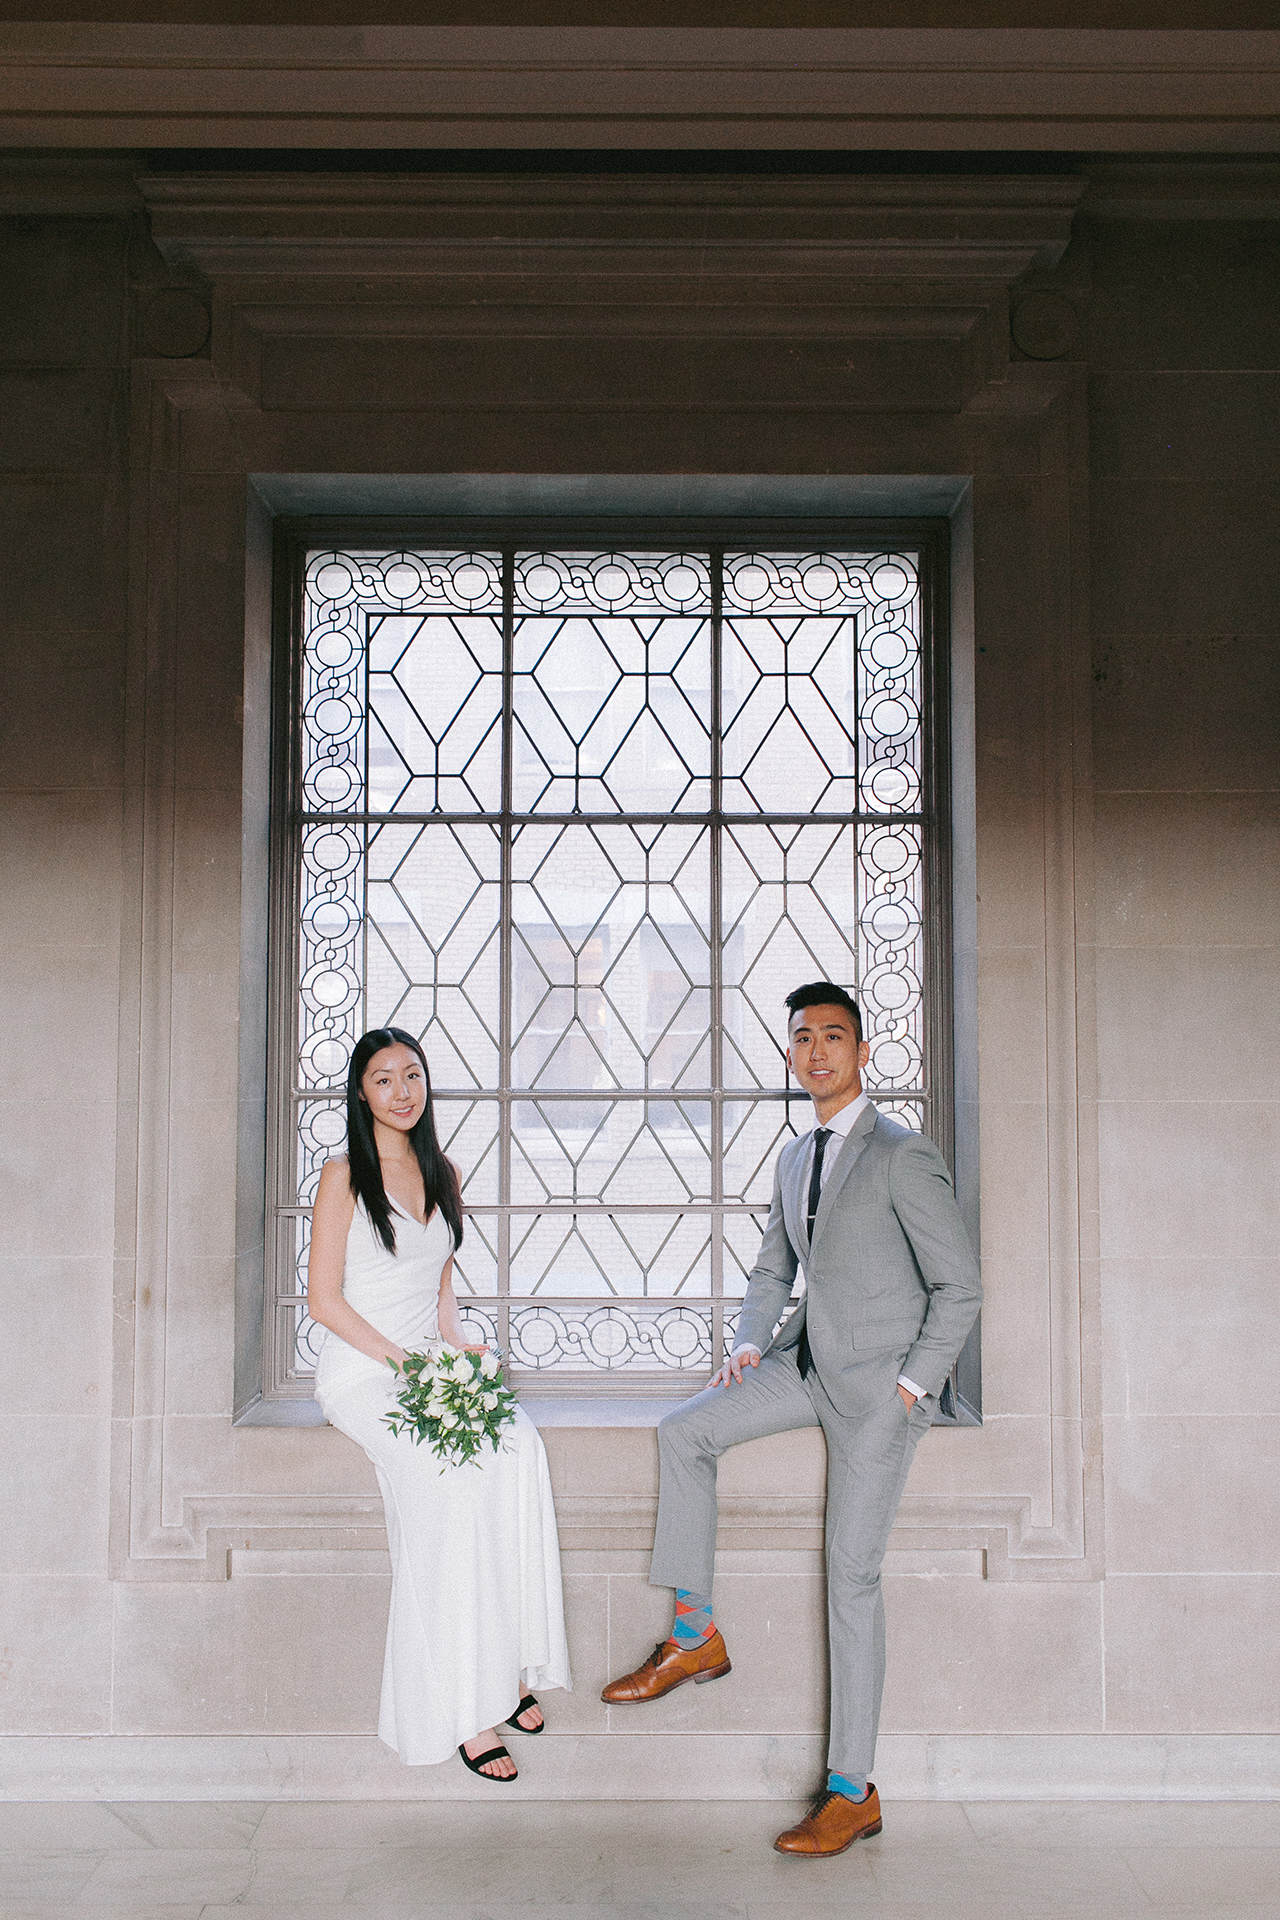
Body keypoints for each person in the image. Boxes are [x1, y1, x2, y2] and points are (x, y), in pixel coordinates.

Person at [602, 983, 981, 1854]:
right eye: (802, 1039)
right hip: (802, 1365)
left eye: (833, 1038)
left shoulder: (901, 1153)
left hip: (880, 1393)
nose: (816, 1053)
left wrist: (912, 1388)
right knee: (684, 1430)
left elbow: (959, 1286)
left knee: (849, 1579)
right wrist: (746, 1343)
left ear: (862, 1053)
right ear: (790, 1054)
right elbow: (774, 1271)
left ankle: (853, 1792)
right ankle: (695, 1635)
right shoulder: (793, 1156)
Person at [309, 1026, 571, 1781]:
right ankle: (467, 1709)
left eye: (413, 1075)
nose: (402, 1090)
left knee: (519, 1450)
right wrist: (406, 1366)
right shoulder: (342, 1176)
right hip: (364, 1370)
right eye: (384, 1078)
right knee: (451, 1490)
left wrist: (456, 1345)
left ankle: (512, 1663)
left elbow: (439, 1276)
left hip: (427, 1362)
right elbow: (325, 1302)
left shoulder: (444, 1169)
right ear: (361, 1091)